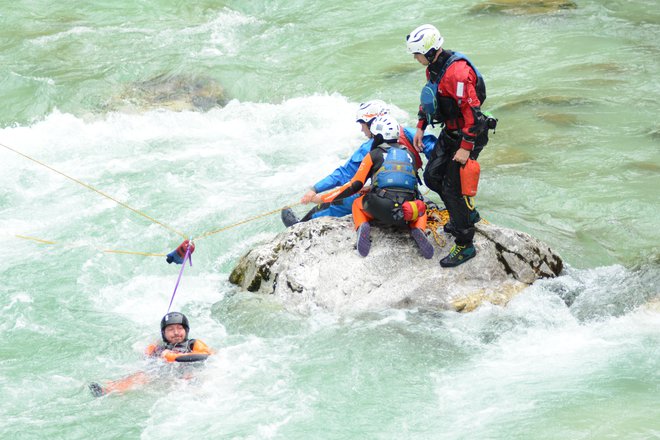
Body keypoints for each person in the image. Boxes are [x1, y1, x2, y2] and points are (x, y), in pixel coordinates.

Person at [406, 23, 496, 267]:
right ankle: (467, 213)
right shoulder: (434, 68)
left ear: (429, 50)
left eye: (416, 54)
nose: (415, 58)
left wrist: (466, 147)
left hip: (470, 134)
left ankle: (465, 243)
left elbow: (473, 115)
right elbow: (429, 98)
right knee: (433, 177)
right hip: (451, 131)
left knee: (451, 186)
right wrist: (421, 125)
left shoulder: (457, 73)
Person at [280, 100, 438, 227]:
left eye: (363, 125)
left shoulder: (369, 149)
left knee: (340, 201)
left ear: (373, 124)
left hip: (382, 200)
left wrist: (316, 190)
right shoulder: (411, 134)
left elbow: (345, 175)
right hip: (409, 195)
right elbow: (437, 155)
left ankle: (299, 225)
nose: (362, 130)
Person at [310, 115, 434, 259]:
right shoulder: (410, 155)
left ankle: (362, 227)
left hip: (381, 209)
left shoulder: (373, 154)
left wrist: (322, 198)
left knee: (357, 203)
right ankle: (418, 229)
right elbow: (407, 185)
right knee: (421, 209)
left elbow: (354, 186)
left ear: (378, 136)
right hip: (407, 213)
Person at [89, 311, 212, 397]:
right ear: (163, 333)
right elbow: (147, 361)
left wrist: (173, 356)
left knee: (188, 377)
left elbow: (204, 356)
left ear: (186, 330)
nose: (176, 332)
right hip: (166, 375)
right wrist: (156, 352)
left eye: (180, 328)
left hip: (189, 373)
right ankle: (109, 391)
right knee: (141, 375)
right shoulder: (159, 347)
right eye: (170, 329)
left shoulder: (194, 344)